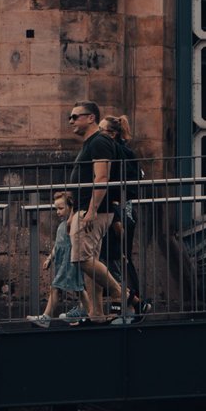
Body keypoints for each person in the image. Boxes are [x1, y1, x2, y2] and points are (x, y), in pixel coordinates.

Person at [67, 100, 148, 323]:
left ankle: (125, 296)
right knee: (91, 260)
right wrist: (75, 210)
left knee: (82, 259)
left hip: (95, 210)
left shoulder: (99, 142)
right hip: (85, 208)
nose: (71, 121)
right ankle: (96, 313)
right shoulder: (92, 142)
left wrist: (91, 210)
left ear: (90, 117)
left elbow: (101, 178)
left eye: (75, 116)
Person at [26, 190, 89, 328]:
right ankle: (89, 312)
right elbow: (57, 245)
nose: (58, 212)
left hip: (69, 262)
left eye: (61, 208)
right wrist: (50, 258)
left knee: (55, 287)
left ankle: (46, 317)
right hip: (62, 262)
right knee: (78, 288)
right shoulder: (62, 225)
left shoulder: (72, 224)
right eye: (56, 209)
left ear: (71, 207)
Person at [99, 115, 144, 306]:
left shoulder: (120, 152)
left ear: (111, 133)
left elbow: (129, 183)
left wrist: (116, 205)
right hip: (119, 208)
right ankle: (126, 301)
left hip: (120, 209)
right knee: (116, 257)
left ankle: (132, 302)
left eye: (100, 130)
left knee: (119, 257)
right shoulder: (119, 150)